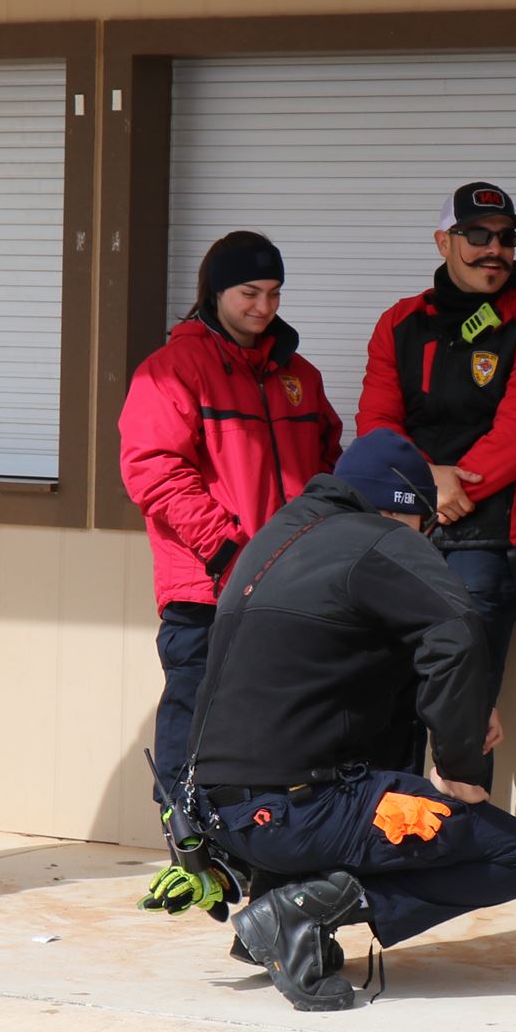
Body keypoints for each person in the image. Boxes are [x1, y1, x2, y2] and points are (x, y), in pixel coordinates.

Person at [196, 430, 516, 1013]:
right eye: (425, 525)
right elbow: (458, 635)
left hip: (223, 814)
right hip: (297, 812)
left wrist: (462, 706)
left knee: (363, 767)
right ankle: (293, 915)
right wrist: (459, 766)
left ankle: (273, 909)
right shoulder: (382, 537)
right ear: (400, 509)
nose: (425, 538)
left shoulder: (280, 535)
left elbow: (341, 654)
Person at [118, 231, 340, 844]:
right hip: (206, 586)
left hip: (286, 587)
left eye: (274, 293)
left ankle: (258, 846)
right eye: (249, 293)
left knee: (276, 726)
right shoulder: (171, 372)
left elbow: (327, 467)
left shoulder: (300, 376)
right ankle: (188, 849)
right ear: (215, 292)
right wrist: (225, 551)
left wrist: (316, 547)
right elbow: (154, 472)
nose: (264, 307)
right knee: (194, 719)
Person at [355, 182, 516, 788]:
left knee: (464, 714)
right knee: (388, 702)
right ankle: (387, 836)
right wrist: (428, 484)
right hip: (403, 536)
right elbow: (377, 425)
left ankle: (463, 840)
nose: (494, 249)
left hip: (488, 545)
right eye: (477, 235)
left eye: (507, 237)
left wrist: (441, 492)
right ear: (443, 241)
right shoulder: (399, 322)